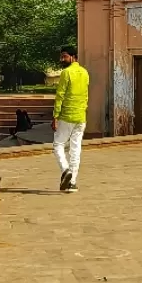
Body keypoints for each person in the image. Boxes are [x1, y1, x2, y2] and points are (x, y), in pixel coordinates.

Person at [53, 47, 90, 192]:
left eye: (64, 57)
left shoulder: (66, 73)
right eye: (61, 57)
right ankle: (72, 183)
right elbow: (86, 95)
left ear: (73, 57)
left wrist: (55, 116)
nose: (62, 60)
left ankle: (65, 170)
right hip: (81, 116)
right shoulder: (85, 72)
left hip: (67, 115)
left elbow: (60, 96)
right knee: (76, 149)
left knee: (58, 145)